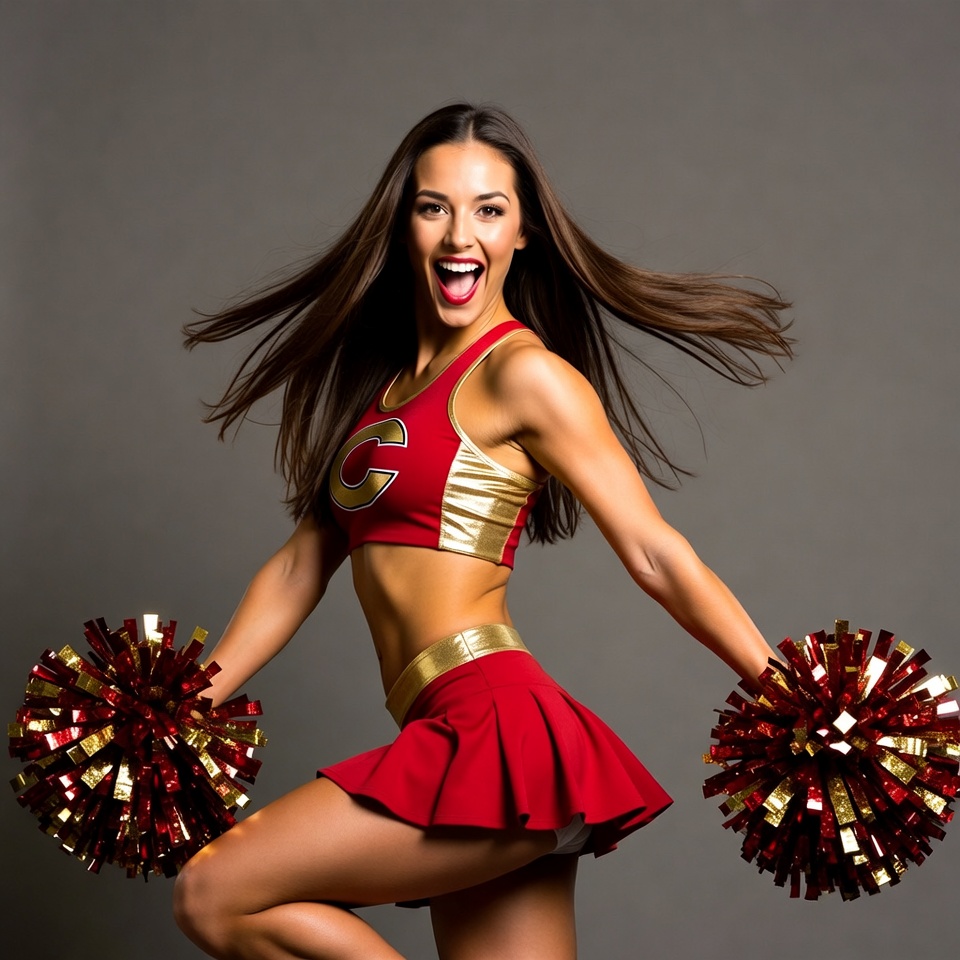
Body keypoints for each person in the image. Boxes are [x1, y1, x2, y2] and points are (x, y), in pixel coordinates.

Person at [172, 103, 792, 960]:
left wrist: (794, 697)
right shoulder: (380, 396)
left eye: (489, 209)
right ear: (403, 226)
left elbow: (654, 551)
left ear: (523, 233)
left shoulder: (524, 375)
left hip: (494, 726)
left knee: (216, 894)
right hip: (443, 727)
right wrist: (179, 703)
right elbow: (300, 567)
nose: (461, 233)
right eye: (434, 207)